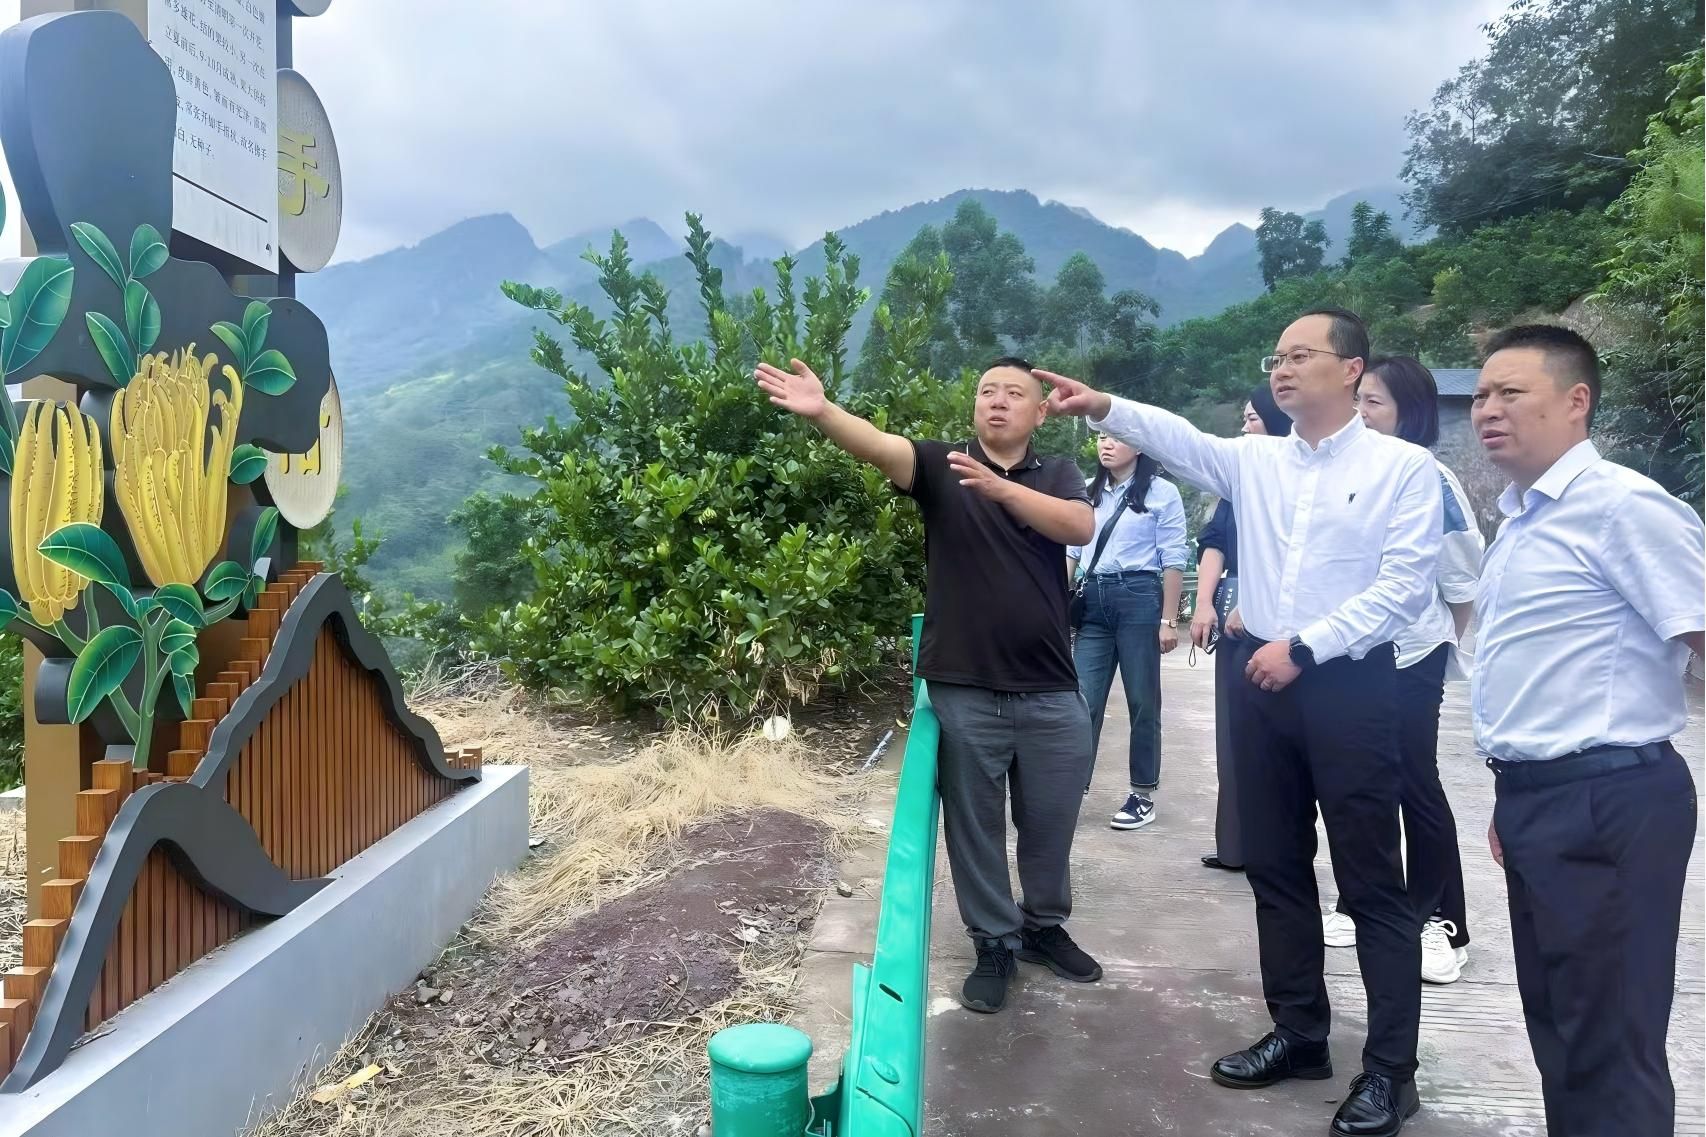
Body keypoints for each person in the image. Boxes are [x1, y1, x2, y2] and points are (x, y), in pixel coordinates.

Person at [1041, 308, 1442, 1137]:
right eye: (1276, 358)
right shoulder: (1255, 460)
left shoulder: (1403, 467)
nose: (1282, 369)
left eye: (1301, 355)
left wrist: (1307, 645)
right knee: (1275, 864)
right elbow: (1179, 438)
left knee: (1371, 881)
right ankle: (1300, 1032)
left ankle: (1390, 1071)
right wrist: (1102, 404)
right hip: (1263, 680)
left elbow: (1404, 587)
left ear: (1352, 369)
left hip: (1351, 686)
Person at [756, 354, 1100, 1016]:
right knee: (974, 828)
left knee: (1051, 822)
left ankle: (1044, 925)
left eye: (1013, 393)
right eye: (987, 390)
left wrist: (1002, 490)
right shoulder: (943, 465)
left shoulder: (1057, 473)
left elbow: (1078, 526)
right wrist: (824, 411)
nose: (997, 400)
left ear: (1039, 412)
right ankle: (994, 942)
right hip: (966, 686)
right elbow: (878, 445)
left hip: (1051, 687)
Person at [1470, 325, 1703, 1137]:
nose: (1487, 410)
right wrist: (1514, 791)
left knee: (1608, 1041)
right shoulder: (1521, 522)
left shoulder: (1623, 507)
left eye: (1511, 393)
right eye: (1481, 395)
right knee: (1563, 1031)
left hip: (1610, 800)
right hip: (1539, 797)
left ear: (1577, 401)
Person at [1318, 356, 1483, 986]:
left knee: (1416, 783)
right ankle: (1363, 903)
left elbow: (1462, 582)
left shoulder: (1430, 478)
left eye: (1375, 403)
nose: (1360, 414)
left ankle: (1443, 921)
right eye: (1357, 401)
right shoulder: (1348, 475)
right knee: (1362, 785)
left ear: (1409, 413)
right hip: (1352, 656)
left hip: (1412, 655)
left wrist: (1437, 652)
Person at [1193, 387, 1292, 873]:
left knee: (1280, 740)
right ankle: (1237, 846)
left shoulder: (1299, 480)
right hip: (1235, 616)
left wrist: (1253, 602)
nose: (1245, 426)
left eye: (1252, 418)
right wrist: (1204, 604)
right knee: (1235, 734)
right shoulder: (1241, 479)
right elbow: (1215, 543)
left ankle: (1277, 847)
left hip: (1286, 625)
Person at [1068, 434, 1188, 829]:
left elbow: (1174, 557)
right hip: (1093, 598)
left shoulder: (1162, 492)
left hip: (1139, 597)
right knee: (1081, 702)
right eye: (1101, 436)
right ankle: (1070, 790)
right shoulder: (1087, 491)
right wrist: (1057, 606)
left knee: (1142, 700)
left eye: (1116, 437)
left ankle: (1142, 794)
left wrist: (1168, 621)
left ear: (1137, 445)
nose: (1105, 444)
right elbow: (1072, 552)